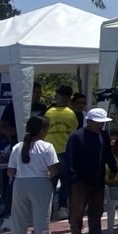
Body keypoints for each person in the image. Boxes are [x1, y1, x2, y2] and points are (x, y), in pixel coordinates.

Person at [6, 116, 60, 234]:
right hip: (40, 183)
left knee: (18, 221)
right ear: (42, 130)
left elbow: (10, 171)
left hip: (20, 184)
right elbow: (53, 170)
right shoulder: (47, 147)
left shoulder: (18, 147)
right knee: (41, 221)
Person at [65, 107, 118, 234]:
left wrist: (113, 167)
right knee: (77, 212)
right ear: (88, 121)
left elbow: (107, 154)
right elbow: (69, 158)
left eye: (102, 123)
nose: (100, 125)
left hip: (98, 179)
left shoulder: (103, 135)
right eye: (98, 123)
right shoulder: (76, 137)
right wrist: (73, 177)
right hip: (80, 181)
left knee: (97, 211)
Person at [42, 85, 80, 221]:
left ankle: (47, 211)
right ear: (69, 98)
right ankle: (62, 207)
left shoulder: (48, 113)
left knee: (49, 184)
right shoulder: (72, 114)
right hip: (65, 152)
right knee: (65, 182)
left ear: (57, 96)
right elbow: (75, 132)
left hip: (50, 153)